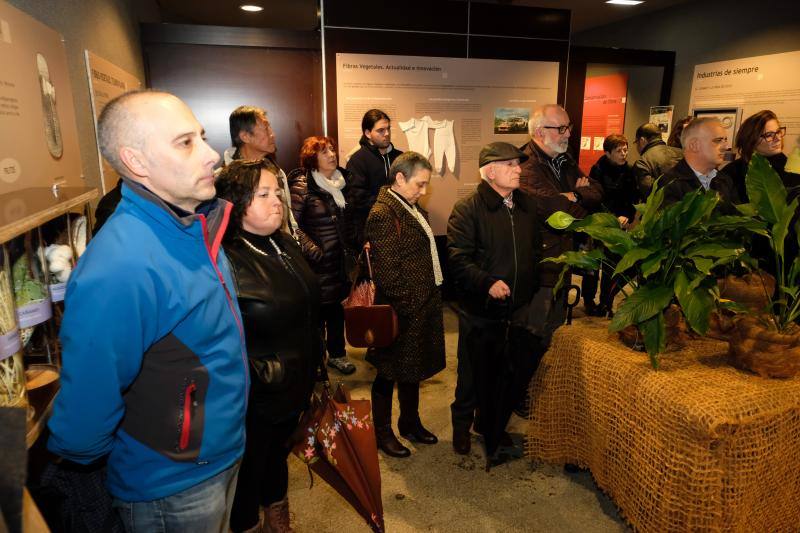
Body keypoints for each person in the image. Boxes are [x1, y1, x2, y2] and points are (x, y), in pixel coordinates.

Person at [47, 90, 248, 532]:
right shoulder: (121, 264)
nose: (212, 154)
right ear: (136, 162)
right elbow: (85, 416)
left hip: (220, 454)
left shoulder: (194, 225)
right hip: (170, 485)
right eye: (185, 143)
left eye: (201, 136)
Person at [216, 159, 322, 533]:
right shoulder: (224, 257)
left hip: (293, 388)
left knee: (276, 460)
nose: (277, 201)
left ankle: (279, 522)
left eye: (276, 192)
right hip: (256, 397)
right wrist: (263, 372)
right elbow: (215, 339)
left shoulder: (281, 242)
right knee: (249, 473)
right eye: (263, 194)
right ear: (237, 201)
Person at [447, 142, 542, 456]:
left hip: (517, 308)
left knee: (504, 372)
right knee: (472, 372)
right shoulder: (467, 209)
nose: (518, 170)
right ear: (490, 171)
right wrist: (486, 282)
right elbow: (459, 260)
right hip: (481, 309)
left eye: (519, 164)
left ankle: (490, 425)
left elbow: (535, 250)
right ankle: (461, 426)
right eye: (511, 165)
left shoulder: (526, 206)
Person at [364, 151, 445, 458]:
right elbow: (387, 272)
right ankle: (382, 433)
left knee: (412, 369)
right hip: (400, 310)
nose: (423, 191)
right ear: (400, 178)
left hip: (419, 305)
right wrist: (409, 305)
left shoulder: (408, 206)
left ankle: (410, 423)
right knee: (388, 373)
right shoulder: (384, 213)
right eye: (420, 184)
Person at [519, 104, 603, 348]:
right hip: (541, 269)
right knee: (535, 339)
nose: (568, 134)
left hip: (563, 262)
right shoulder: (526, 166)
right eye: (561, 128)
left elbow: (597, 192)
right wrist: (577, 195)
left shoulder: (564, 159)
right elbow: (558, 212)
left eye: (569, 127)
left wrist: (573, 195)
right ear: (539, 132)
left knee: (555, 336)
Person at [289, 136, 358, 376]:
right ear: (312, 158)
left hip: (340, 263)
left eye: (332, 149)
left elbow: (349, 222)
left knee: (337, 311)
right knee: (317, 316)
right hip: (316, 265)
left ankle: (338, 355)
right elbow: (292, 225)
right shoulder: (303, 185)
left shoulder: (342, 183)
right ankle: (317, 360)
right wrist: (314, 252)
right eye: (324, 151)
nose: (332, 154)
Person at [223, 105, 298, 235]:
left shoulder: (277, 174)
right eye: (265, 128)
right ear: (245, 137)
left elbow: (288, 220)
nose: (273, 134)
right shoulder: (224, 181)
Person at [585, 134, 638, 316]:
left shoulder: (630, 171)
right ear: (608, 153)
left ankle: (606, 303)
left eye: (625, 149)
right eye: (619, 151)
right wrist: (608, 218)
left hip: (619, 226)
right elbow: (593, 198)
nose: (624, 154)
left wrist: (627, 216)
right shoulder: (597, 170)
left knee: (611, 266)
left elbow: (633, 198)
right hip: (599, 224)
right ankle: (589, 301)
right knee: (592, 264)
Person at [347, 109, 403, 245]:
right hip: (373, 232)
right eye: (381, 130)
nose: (387, 134)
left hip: (401, 229)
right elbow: (358, 198)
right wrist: (390, 207)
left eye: (388, 129)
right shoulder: (357, 160)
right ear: (367, 133)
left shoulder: (400, 157)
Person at [719, 110, 800, 203]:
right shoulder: (732, 172)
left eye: (778, 132)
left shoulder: (792, 167)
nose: (778, 138)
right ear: (751, 140)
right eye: (769, 135)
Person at [661, 117, 740, 210]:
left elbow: (738, 219)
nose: (725, 147)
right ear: (694, 145)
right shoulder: (669, 184)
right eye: (717, 140)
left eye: (725, 140)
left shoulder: (725, 180)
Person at [633, 122, 683, 198]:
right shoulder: (682, 153)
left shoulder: (642, 162)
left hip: (663, 208)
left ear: (642, 140)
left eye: (636, 142)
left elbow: (651, 195)